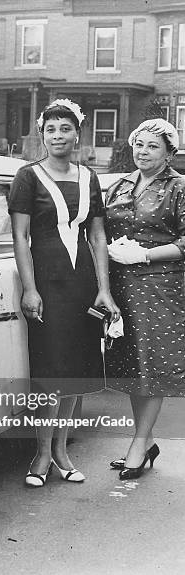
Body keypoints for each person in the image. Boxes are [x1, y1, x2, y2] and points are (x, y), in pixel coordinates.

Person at [8, 99, 120, 487]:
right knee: (51, 372)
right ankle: (40, 454)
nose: (58, 136)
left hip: (82, 284)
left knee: (74, 371)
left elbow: (98, 234)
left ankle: (62, 452)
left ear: (78, 134)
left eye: (65, 129)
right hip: (47, 285)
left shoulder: (89, 177)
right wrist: (30, 289)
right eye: (51, 129)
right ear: (42, 135)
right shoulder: (28, 176)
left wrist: (104, 289)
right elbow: (20, 236)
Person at [105, 118, 185, 480]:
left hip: (160, 287)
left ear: (170, 151)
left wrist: (146, 255)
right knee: (133, 366)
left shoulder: (179, 187)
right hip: (122, 285)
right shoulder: (119, 185)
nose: (143, 151)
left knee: (153, 365)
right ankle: (147, 438)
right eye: (139, 143)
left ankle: (138, 443)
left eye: (153, 146)